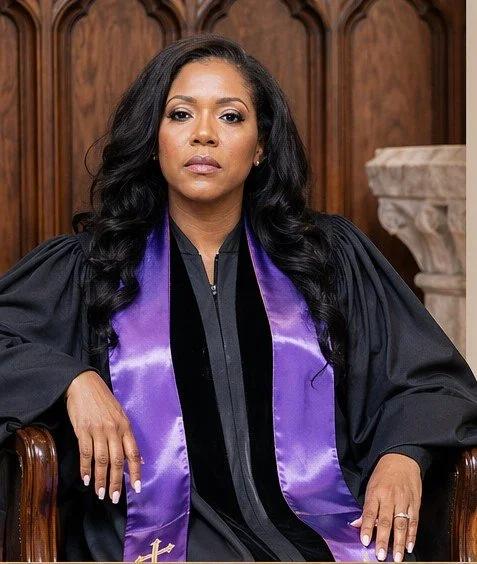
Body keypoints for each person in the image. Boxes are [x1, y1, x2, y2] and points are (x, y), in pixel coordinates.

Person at [0, 34, 476, 563]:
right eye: (180, 114)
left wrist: (402, 455)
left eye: (230, 116)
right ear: (154, 138)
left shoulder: (325, 260)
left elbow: (429, 380)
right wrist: (71, 380)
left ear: (260, 146)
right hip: (152, 536)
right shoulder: (91, 269)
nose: (203, 133)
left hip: (321, 529)